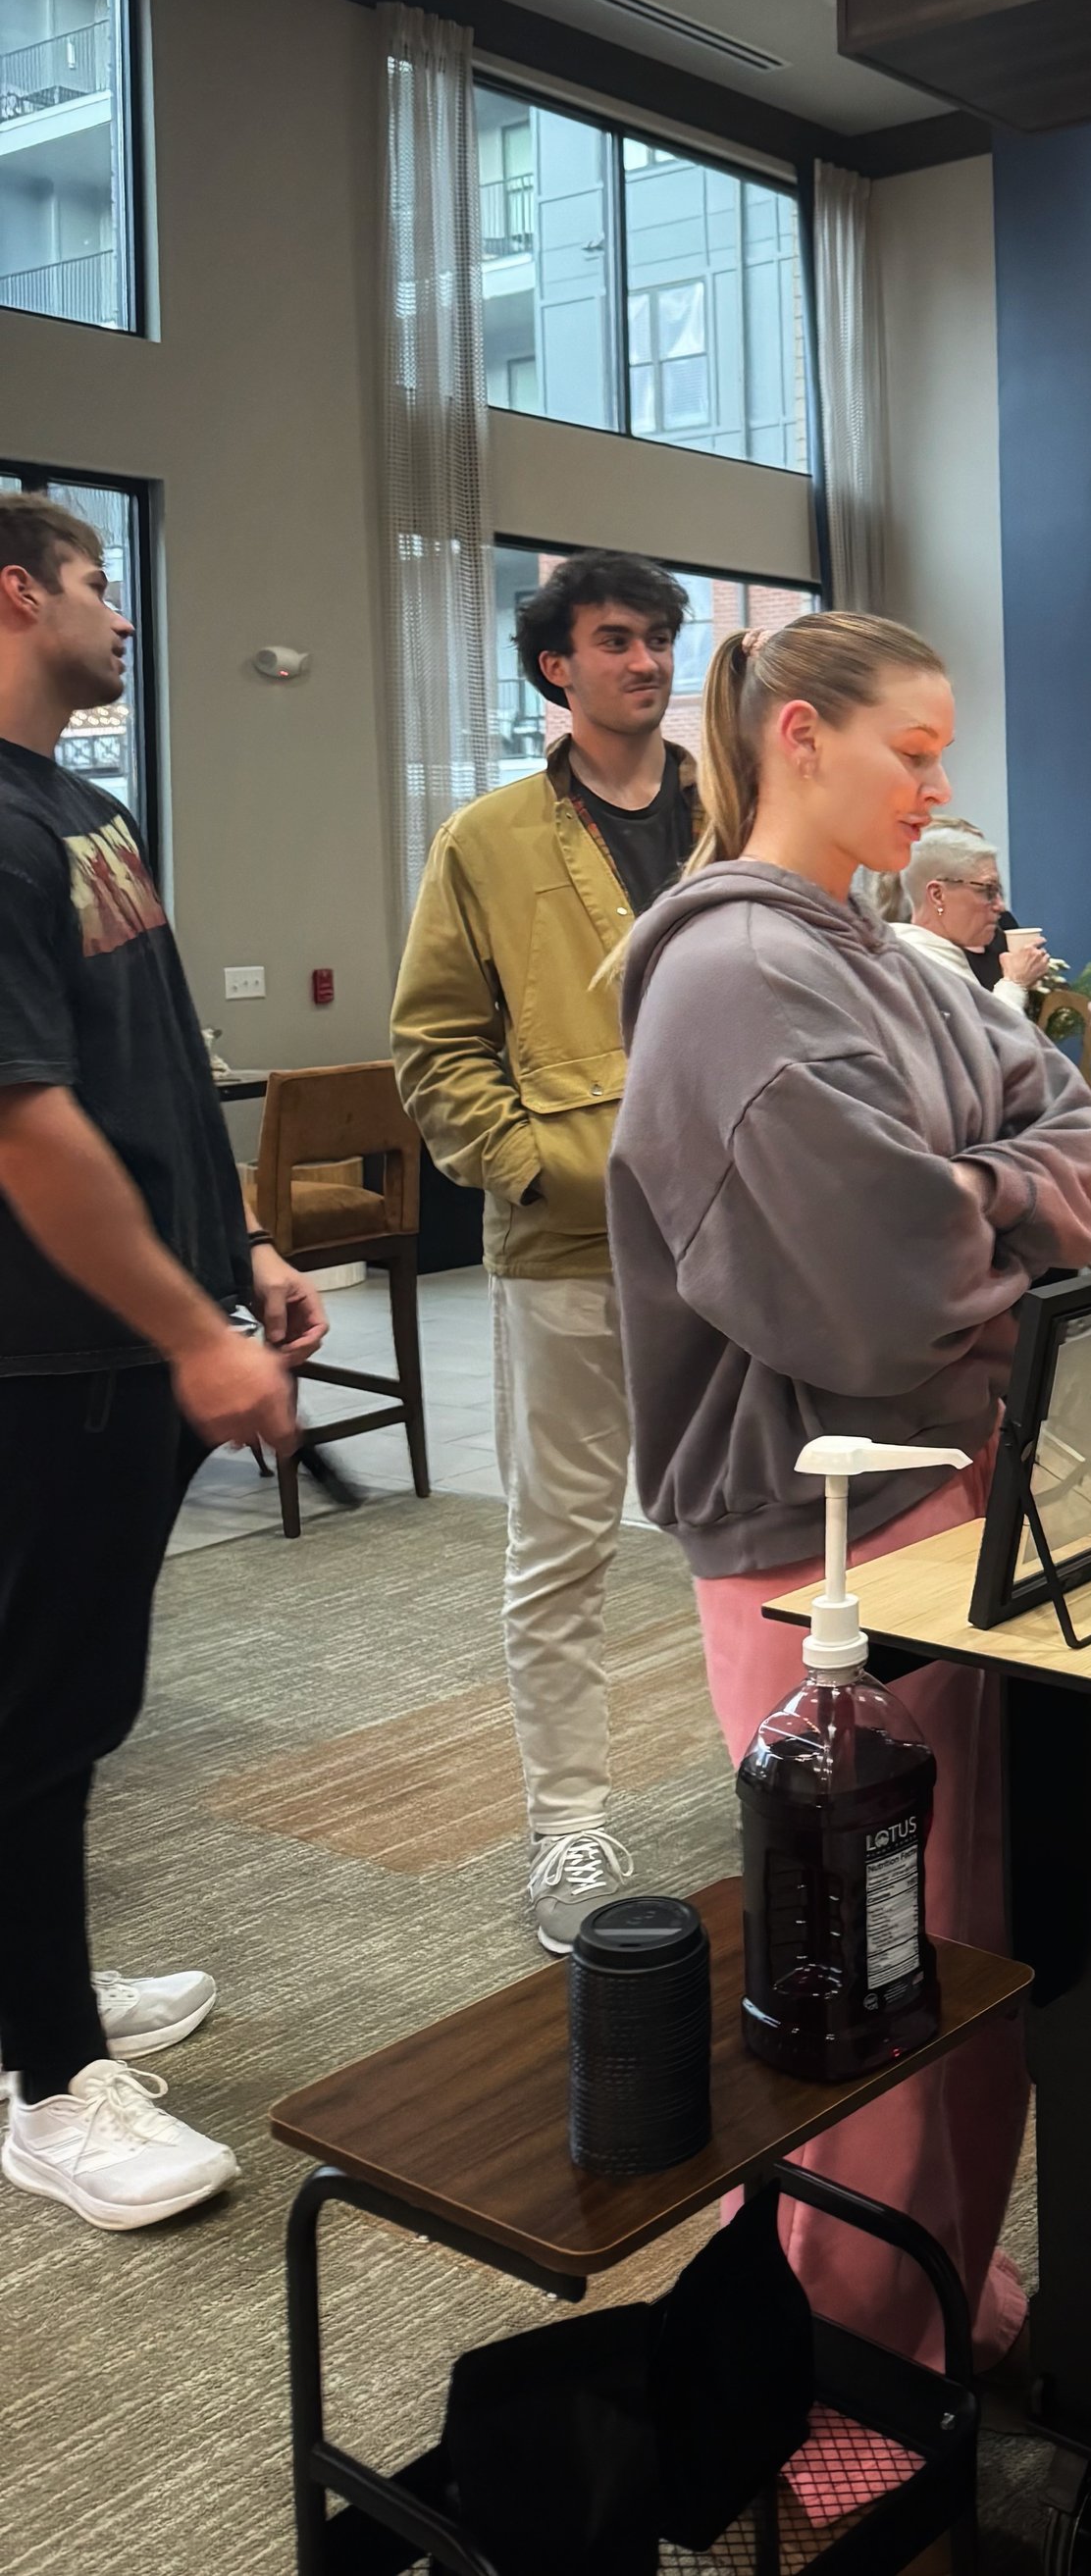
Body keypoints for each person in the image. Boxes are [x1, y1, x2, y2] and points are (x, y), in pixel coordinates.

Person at [606, 612, 1091, 2385]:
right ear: (798, 736)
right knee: (860, 1978)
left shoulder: (884, 956)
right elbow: (884, 1280)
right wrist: (996, 1203)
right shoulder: (732, 976)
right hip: (814, 1524)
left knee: (959, 1961)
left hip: (939, 1489)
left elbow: (1074, 1130)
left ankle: (938, 2297)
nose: (939, 783)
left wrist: (972, 1190)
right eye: (913, 749)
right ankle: (847, 2372)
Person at [0, 494, 326, 2231]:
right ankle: (48, 2079)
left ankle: (30, 1979)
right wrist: (183, 1324)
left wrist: (244, 1250)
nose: (122, 615)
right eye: (96, 584)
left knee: (69, 1699)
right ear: (13, 594)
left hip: (137, 1330)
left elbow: (147, 1078)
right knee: (41, 1712)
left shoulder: (88, 808)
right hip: (47, 1356)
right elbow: (27, 1124)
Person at [392, 548, 700, 1952]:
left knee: (767, 1518)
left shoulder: (736, 818)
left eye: (660, 638)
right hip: (568, 1244)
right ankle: (565, 1826)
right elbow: (435, 1043)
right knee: (563, 1546)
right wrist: (526, 1165)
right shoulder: (490, 838)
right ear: (554, 667)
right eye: (618, 640)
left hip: (739, 1237)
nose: (647, 661)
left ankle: (788, 1752)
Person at [893, 823, 1052, 1013]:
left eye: (998, 891)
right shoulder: (911, 963)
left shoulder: (943, 953)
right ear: (938, 895)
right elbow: (980, 1041)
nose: (1000, 906)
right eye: (987, 890)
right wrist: (1014, 983)